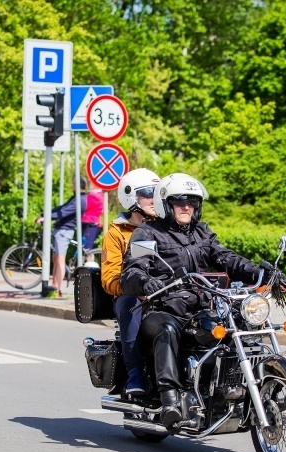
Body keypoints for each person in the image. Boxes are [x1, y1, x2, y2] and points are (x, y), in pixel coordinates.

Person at [120, 173, 267, 428]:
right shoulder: (148, 232)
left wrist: (258, 272)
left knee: (242, 326)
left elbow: (225, 257)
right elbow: (131, 271)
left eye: (192, 202)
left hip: (202, 305)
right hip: (162, 307)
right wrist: (147, 282)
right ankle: (170, 399)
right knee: (167, 329)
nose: (186, 206)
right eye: (179, 201)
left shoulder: (202, 232)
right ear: (167, 204)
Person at [101, 169, 160, 395]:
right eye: (148, 194)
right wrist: (138, 289)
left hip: (167, 292)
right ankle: (135, 372)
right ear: (131, 197)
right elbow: (109, 279)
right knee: (129, 303)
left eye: (157, 194)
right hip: (134, 295)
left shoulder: (166, 227)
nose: (154, 200)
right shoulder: (117, 233)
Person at [36, 177, 87, 296]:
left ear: (77, 185)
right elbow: (62, 208)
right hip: (61, 230)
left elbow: (64, 212)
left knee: (60, 260)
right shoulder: (76, 198)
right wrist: (45, 214)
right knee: (56, 259)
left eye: (73, 184)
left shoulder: (80, 200)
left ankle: (57, 288)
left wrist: (47, 217)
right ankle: (54, 285)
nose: (71, 186)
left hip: (65, 231)